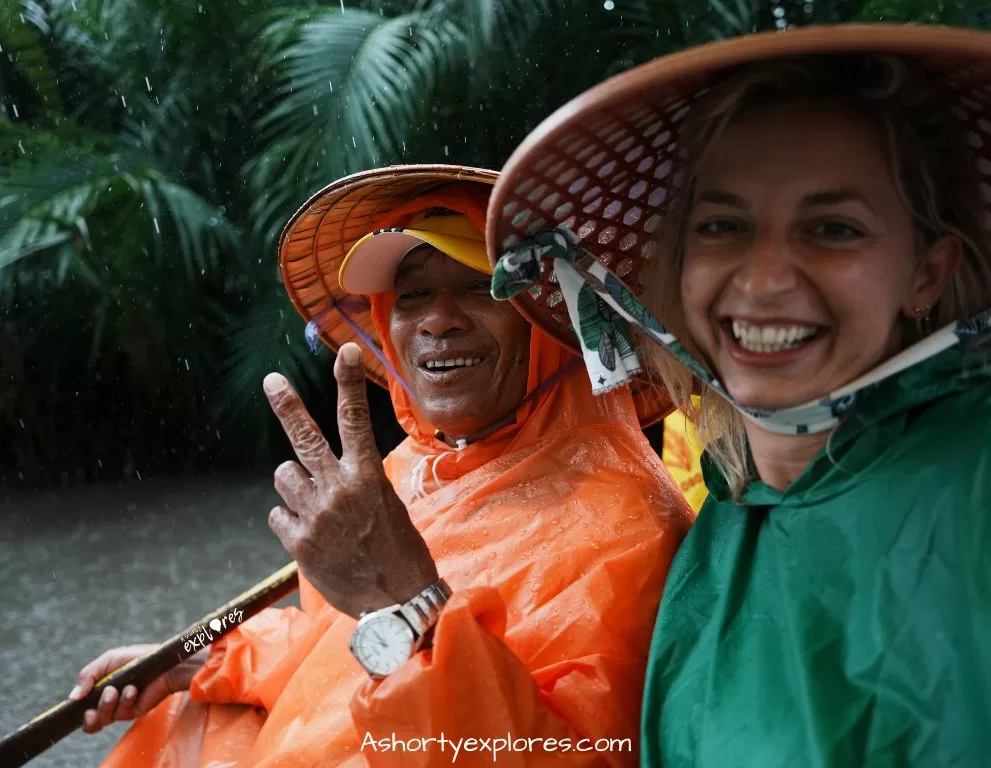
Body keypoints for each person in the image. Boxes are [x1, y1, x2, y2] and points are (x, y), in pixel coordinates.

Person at [484, 26, 991, 767]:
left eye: (831, 228)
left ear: (926, 272)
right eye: (722, 226)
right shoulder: (720, 530)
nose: (761, 280)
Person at [71, 165, 695, 766]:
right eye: (413, 293)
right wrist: (199, 661)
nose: (437, 320)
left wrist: (407, 597)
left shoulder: (624, 522)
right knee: (189, 713)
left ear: (553, 317)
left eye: (481, 287)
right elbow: (333, 653)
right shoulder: (403, 473)